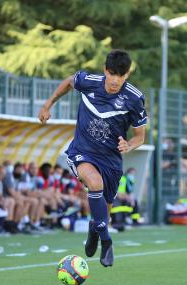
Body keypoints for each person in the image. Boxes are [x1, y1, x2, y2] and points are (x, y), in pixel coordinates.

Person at [38, 49, 147, 267]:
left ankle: (95, 227)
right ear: (105, 70)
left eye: (121, 75)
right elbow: (69, 82)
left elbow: (139, 137)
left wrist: (129, 145)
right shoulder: (88, 81)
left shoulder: (135, 99)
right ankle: (107, 242)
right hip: (82, 150)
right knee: (94, 183)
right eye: (112, 73)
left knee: (104, 212)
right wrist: (48, 104)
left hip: (111, 159)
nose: (115, 80)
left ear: (127, 75)